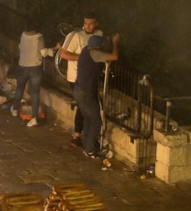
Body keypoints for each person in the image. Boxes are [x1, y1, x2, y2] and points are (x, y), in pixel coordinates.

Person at [58, 13, 104, 147]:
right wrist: (84, 59)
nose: (88, 26)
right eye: (86, 23)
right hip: (76, 78)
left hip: (92, 77)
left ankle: (89, 137)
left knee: (91, 106)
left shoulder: (99, 34)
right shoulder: (76, 35)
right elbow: (63, 53)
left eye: (91, 24)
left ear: (96, 24)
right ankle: (78, 135)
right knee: (82, 106)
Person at [73, 33, 120, 157]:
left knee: (88, 118)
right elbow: (114, 56)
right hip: (85, 93)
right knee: (96, 120)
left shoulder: (85, 50)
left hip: (78, 90)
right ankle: (90, 149)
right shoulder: (95, 54)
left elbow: (101, 44)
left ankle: (88, 145)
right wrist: (115, 43)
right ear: (98, 47)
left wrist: (108, 39)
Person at [10, 19, 59, 127]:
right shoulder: (39, 37)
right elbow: (44, 53)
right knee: (35, 93)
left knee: (19, 89)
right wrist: (55, 48)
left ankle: (14, 109)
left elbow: (20, 48)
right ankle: (34, 118)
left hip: (22, 66)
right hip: (35, 68)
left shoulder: (23, 35)